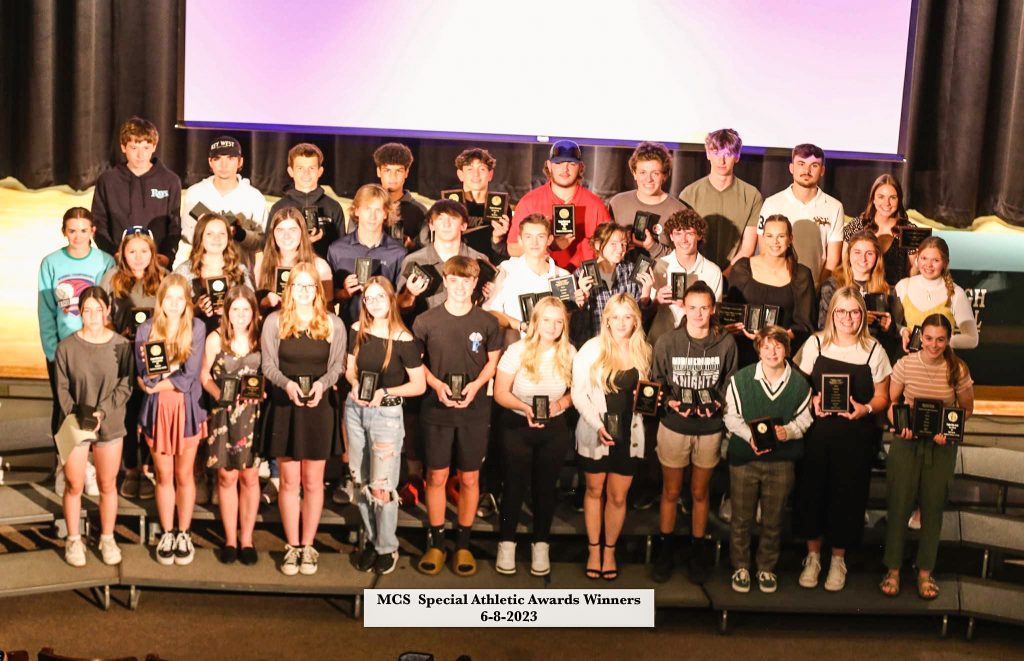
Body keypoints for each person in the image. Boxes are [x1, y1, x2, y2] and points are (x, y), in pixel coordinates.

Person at [793, 286, 892, 592]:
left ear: (863, 315)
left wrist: (866, 409)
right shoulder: (815, 344)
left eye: (854, 312)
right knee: (813, 495)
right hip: (817, 435)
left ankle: (838, 559)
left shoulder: (875, 350)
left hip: (856, 437)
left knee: (847, 498)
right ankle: (813, 558)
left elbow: (882, 398)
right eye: (841, 311)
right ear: (831, 313)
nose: (847, 318)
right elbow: (797, 386)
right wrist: (812, 401)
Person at [413, 256, 503, 577]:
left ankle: (463, 543)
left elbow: (493, 363)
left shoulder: (488, 323)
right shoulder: (425, 321)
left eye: (467, 281)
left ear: (475, 283)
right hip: (436, 408)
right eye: (455, 280)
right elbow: (416, 363)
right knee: (436, 476)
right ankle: (437, 542)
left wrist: (476, 387)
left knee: (469, 478)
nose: (460, 287)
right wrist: (437, 386)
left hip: (474, 409)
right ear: (446, 280)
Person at [261, 263, 347, 576]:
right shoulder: (274, 322)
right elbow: (269, 367)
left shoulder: (333, 324)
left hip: (319, 407)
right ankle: (292, 545)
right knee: (288, 481)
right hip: (286, 403)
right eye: (299, 285)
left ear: (318, 291)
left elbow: (337, 367)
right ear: (290, 289)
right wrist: (288, 385)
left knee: (312, 481)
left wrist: (322, 386)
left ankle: (308, 546)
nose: (305, 291)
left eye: (311, 286)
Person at [881, 314, 974, 600]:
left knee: (933, 509)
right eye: (929, 338)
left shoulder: (956, 368)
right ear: (921, 336)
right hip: (906, 445)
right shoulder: (905, 364)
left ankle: (925, 572)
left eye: (941, 339)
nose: (934, 345)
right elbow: (892, 403)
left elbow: (966, 409)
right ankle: (893, 570)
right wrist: (900, 425)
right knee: (899, 505)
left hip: (940, 447)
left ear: (948, 340)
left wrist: (949, 430)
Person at [650, 282, 738, 584]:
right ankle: (666, 546)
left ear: (712, 309)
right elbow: (657, 382)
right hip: (675, 425)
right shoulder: (667, 342)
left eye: (704, 307)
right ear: (682, 308)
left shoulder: (725, 342)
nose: (698, 313)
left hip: (709, 426)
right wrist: (671, 402)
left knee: (700, 492)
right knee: (671, 491)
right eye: (692, 307)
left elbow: (729, 383)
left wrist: (715, 403)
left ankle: (697, 548)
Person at [721, 326, 813, 593]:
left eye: (778, 346)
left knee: (773, 520)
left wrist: (789, 431)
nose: (772, 351)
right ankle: (740, 566)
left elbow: (804, 419)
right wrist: (749, 436)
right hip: (745, 459)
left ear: (786, 349)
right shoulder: (741, 380)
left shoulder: (798, 384)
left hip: (781, 461)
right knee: (741, 518)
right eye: (766, 346)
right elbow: (730, 417)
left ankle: (765, 568)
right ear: (758, 348)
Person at [345, 277, 426, 575]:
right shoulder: (358, 330)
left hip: (386, 416)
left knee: (381, 487)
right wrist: (354, 386)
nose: (375, 302)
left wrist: (385, 392)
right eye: (369, 297)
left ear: (391, 299)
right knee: (361, 480)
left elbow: (418, 385)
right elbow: (350, 370)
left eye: (381, 296)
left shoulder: (404, 338)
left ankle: (386, 546)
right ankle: (371, 540)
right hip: (355, 410)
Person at [493, 297, 576, 576]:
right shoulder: (517, 350)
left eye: (558, 321)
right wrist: (525, 408)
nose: (552, 326)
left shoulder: (570, 352)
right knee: (514, 486)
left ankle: (541, 544)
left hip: (554, 428)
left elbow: (576, 392)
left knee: (545, 487)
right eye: (547, 320)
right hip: (517, 424)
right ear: (536, 321)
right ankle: (506, 543)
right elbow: (501, 392)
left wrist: (561, 404)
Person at [571, 294, 651, 580]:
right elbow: (578, 394)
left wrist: (650, 398)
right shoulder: (591, 350)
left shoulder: (644, 351)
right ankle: (594, 550)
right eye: (615, 317)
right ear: (606, 319)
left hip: (629, 435)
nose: (621, 323)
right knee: (594, 492)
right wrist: (598, 426)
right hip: (596, 433)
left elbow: (646, 395)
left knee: (618, 497)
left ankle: (609, 551)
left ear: (635, 320)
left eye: (627, 316)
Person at [55, 287, 133, 567]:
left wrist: (101, 413)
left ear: (107, 310)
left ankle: (108, 537)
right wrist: (78, 417)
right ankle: (74, 539)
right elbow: (62, 390)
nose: (92, 315)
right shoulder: (66, 347)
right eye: (87, 310)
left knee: (107, 484)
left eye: (98, 309)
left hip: (109, 423)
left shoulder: (122, 346)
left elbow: (126, 387)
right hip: (75, 423)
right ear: (80, 311)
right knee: (75, 484)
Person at [134, 273, 208, 567]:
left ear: (187, 301)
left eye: (180, 298)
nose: (175, 304)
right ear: (160, 300)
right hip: (158, 409)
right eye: (169, 298)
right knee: (163, 476)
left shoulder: (197, 327)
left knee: (184, 475)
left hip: (186, 408)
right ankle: (167, 532)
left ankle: (184, 533)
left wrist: (155, 384)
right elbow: (144, 372)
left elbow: (189, 377)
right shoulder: (146, 329)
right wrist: (146, 381)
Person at [100, 227, 166, 499]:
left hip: (155, 359)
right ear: (122, 254)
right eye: (132, 251)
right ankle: (130, 469)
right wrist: (118, 333)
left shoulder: (164, 279)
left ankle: (149, 470)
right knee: (127, 414)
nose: (138, 257)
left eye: (144, 251)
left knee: (151, 413)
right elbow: (104, 316)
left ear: (152, 253)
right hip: (123, 357)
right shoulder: (112, 279)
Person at [39, 208, 116, 441]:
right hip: (64, 349)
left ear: (93, 231)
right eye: (72, 230)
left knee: (93, 406)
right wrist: (53, 351)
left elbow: (107, 306)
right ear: (64, 231)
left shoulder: (105, 261)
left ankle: (93, 465)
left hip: (94, 346)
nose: (78, 236)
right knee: (63, 407)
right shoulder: (51, 263)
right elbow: (46, 309)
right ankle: (63, 468)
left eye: (84, 230)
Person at [200, 286, 263, 566]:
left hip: (253, 415)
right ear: (226, 312)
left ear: (253, 311)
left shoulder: (261, 339)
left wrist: (263, 392)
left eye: (245, 309)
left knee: (250, 477)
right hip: (223, 414)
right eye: (234, 309)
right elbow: (204, 377)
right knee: (227, 477)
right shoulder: (215, 338)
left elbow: (270, 373)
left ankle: (247, 539)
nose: (240, 315)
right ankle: (229, 539)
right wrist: (220, 395)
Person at [725, 214, 815, 366]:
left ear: (790, 238)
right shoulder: (742, 268)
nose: (775, 241)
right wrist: (738, 328)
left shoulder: (801, 275)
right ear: (763, 238)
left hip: (781, 353)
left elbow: (804, 325)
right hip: (743, 349)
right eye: (770, 236)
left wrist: (775, 339)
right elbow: (731, 313)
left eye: (781, 236)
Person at [506, 140, 611, 269]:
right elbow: (512, 248)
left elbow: (610, 250)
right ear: (549, 166)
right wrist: (549, 246)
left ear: (580, 167)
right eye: (559, 163)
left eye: (571, 164)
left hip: (585, 282)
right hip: (542, 282)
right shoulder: (529, 202)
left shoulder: (596, 205)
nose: (565, 169)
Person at [92, 116, 181, 266]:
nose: (140, 155)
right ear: (123, 147)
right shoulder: (107, 180)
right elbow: (99, 224)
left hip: (157, 265)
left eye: (146, 148)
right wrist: (113, 254)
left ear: (154, 147)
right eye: (134, 148)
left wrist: (166, 255)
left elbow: (174, 225)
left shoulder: (170, 180)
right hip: (119, 264)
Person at [758, 144, 843, 287]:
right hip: (776, 285)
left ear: (822, 170)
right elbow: (764, 250)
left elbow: (832, 260)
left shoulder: (834, 207)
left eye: (814, 165)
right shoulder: (772, 203)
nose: (807, 170)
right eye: (801, 164)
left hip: (815, 288)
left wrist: (816, 289)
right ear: (791, 168)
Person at [680, 129, 763, 275]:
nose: (721, 160)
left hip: (734, 276)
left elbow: (748, 248)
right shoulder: (689, 194)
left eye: (728, 154)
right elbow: (682, 241)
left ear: (737, 157)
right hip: (695, 274)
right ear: (707, 154)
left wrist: (724, 275)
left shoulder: (751, 195)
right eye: (716, 153)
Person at [484, 214, 580, 340]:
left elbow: (567, 320)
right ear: (520, 240)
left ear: (550, 240)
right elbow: (491, 313)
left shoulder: (563, 276)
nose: (534, 243)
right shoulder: (506, 270)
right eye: (528, 237)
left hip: (553, 352)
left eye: (540, 236)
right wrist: (522, 326)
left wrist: (578, 305)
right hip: (516, 351)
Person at [179, 136, 268, 267]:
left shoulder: (254, 197)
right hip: (201, 271)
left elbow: (262, 242)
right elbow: (187, 238)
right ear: (210, 162)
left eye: (230, 158)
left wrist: (240, 234)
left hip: (239, 273)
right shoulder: (195, 194)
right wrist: (207, 229)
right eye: (218, 158)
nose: (224, 165)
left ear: (240, 162)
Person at [327, 183, 407, 327]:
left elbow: (403, 302)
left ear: (386, 213)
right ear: (356, 211)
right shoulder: (337, 249)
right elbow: (327, 298)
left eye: (378, 210)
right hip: (348, 328)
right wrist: (344, 293)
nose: (372, 216)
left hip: (385, 330)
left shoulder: (398, 253)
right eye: (367, 209)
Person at [819, 230, 903, 363]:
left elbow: (895, 335)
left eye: (869, 253)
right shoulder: (832, 286)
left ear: (877, 257)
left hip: (875, 357)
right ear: (849, 255)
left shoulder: (887, 290)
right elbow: (823, 326)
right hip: (839, 356)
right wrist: (859, 320)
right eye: (857, 252)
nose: (863, 259)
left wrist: (889, 327)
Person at [398, 199, 492, 313]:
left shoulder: (478, 261)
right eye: (440, 218)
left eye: (453, 218)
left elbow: (487, 308)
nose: (446, 224)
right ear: (431, 225)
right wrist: (410, 294)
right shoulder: (413, 261)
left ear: (464, 225)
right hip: (424, 328)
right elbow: (398, 309)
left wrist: (490, 296)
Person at [571, 222, 654, 347]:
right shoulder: (580, 275)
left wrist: (646, 296)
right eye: (613, 244)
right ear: (598, 245)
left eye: (624, 244)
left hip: (627, 346)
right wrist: (583, 302)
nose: (620, 249)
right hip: (596, 347)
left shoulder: (632, 271)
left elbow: (642, 322)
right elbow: (576, 330)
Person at [649, 209, 725, 343]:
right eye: (678, 233)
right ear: (671, 236)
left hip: (697, 342)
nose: (683, 239)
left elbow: (715, 315)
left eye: (689, 233)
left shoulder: (712, 271)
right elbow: (645, 313)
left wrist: (688, 306)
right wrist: (657, 301)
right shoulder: (658, 266)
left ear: (699, 236)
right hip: (660, 340)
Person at [426, 148, 510, 263]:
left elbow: (504, 252)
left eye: (482, 169)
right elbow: (429, 241)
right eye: (470, 169)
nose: (476, 174)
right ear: (460, 175)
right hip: (452, 268)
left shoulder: (501, 206)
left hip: (487, 268)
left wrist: (497, 239)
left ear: (490, 175)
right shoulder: (445, 204)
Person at [174, 212, 254, 333]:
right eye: (210, 233)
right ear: (200, 237)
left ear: (228, 237)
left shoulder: (240, 271)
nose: (216, 238)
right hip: (192, 340)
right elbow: (168, 312)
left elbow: (252, 308)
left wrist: (230, 310)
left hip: (230, 338)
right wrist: (195, 309)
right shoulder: (183, 272)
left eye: (221, 233)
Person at [895, 236, 979, 351]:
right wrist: (903, 330)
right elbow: (893, 324)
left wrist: (940, 341)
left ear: (945, 263)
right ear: (917, 259)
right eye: (924, 258)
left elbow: (972, 339)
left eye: (935, 260)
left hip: (942, 364)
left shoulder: (956, 293)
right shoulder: (903, 286)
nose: (929, 265)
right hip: (911, 362)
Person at [268, 142, 348, 258]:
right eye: (300, 168)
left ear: (320, 171)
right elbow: (269, 247)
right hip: (288, 273)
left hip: (324, 273)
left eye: (311, 168)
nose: (306, 173)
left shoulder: (333, 207)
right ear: (291, 171)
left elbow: (341, 249)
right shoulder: (279, 208)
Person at [608, 141, 686, 259]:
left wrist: (652, 246)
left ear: (664, 175)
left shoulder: (679, 210)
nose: (648, 179)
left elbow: (685, 257)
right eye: (642, 172)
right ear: (634, 173)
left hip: (663, 276)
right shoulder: (617, 204)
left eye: (655, 173)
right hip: (622, 276)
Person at [254, 208, 334, 316]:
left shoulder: (320, 266)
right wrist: (263, 303)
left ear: (303, 232)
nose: (286, 236)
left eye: (293, 230)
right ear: (272, 234)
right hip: (270, 329)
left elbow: (328, 313)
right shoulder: (261, 263)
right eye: (280, 230)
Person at [842, 174, 915, 285]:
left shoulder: (909, 230)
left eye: (892, 198)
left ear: (899, 200)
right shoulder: (857, 225)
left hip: (895, 295)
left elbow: (912, 273)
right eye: (881, 197)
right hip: (858, 292)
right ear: (873, 199)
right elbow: (844, 263)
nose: (887, 203)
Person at [374, 142, 428, 248]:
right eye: (387, 170)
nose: (393, 177)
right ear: (379, 172)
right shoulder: (366, 206)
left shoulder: (419, 210)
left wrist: (411, 246)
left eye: (398, 171)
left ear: (406, 173)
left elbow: (425, 249)